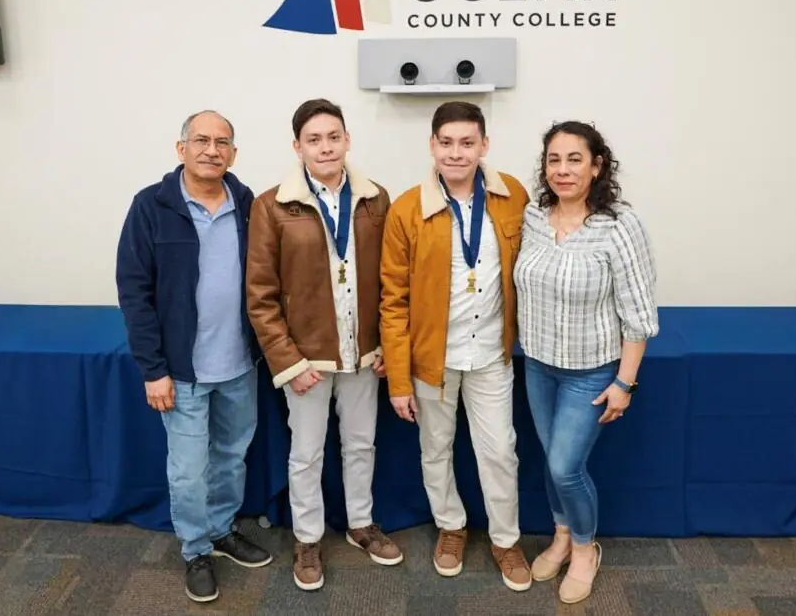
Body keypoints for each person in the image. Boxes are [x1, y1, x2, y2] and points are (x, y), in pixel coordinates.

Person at [115, 110, 272, 604]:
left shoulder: (248, 204)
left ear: (234, 153)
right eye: (200, 140)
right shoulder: (151, 206)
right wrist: (153, 369)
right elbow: (134, 291)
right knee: (188, 469)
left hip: (239, 365)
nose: (211, 150)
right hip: (180, 372)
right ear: (180, 149)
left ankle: (223, 530)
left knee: (231, 457)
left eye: (221, 142)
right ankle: (195, 549)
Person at [246, 98, 402, 591]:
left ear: (347, 140)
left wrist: (386, 349)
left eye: (334, 136)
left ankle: (361, 525)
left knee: (361, 444)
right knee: (307, 452)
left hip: (365, 355)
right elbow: (260, 294)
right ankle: (308, 538)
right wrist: (289, 362)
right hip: (305, 359)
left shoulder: (377, 199)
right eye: (314, 139)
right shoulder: (270, 205)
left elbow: (392, 280)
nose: (326, 146)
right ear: (297, 147)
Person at [379, 100, 533, 592]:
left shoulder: (513, 197)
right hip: (433, 361)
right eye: (446, 143)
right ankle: (451, 526)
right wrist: (400, 380)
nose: (457, 153)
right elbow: (393, 300)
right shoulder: (407, 208)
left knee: (500, 452)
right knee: (435, 449)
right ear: (432, 146)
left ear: (484, 145)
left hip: (490, 354)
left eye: (468, 143)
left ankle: (506, 540)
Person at [513, 121, 658, 604]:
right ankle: (559, 534)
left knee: (564, 467)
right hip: (538, 365)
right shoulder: (534, 216)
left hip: (591, 372)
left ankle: (583, 549)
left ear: (597, 166)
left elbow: (639, 314)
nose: (563, 170)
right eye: (554, 159)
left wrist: (625, 383)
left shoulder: (619, 225)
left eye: (575, 159)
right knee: (552, 464)